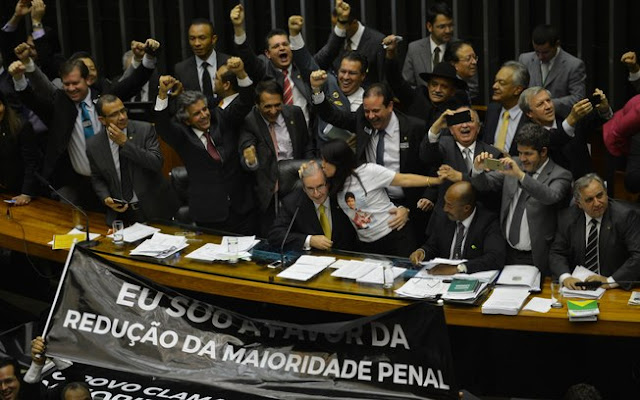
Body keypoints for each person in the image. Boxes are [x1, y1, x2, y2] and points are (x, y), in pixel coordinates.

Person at [9, 39, 157, 210]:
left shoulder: (105, 96)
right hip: (76, 182)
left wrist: (149, 56)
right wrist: (19, 77)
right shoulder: (60, 104)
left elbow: (133, 83)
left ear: (88, 80)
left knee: (119, 219)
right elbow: (32, 101)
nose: (71, 88)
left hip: (113, 179)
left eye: (75, 83)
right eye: (66, 84)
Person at [311, 74, 433, 245]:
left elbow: (430, 162)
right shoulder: (363, 119)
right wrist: (317, 90)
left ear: (390, 106)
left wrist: (420, 201)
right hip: (373, 201)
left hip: (409, 203)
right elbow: (333, 116)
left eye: (376, 111)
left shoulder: (414, 128)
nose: (371, 116)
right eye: (367, 111)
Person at [153, 59, 255, 234]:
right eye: (197, 113)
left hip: (242, 209)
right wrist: (163, 93)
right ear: (187, 120)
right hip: (209, 213)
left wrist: (241, 74)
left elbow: (246, 101)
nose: (204, 115)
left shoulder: (221, 119)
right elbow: (162, 125)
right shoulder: (182, 136)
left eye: (204, 109)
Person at [471, 123, 572, 276]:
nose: (523, 159)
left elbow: (550, 196)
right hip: (506, 252)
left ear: (543, 151)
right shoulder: (514, 163)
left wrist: (520, 175)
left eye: (528, 154)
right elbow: (485, 185)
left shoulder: (560, 175)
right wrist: (477, 170)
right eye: (520, 153)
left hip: (538, 256)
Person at [320, 139, 441, 257]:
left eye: (326, 161)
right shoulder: (332, 182)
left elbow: (404, 179)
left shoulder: (368, 171)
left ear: (338, 162)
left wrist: (436, 181)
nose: (322, 165)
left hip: (394, 235)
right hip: (367, 244)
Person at [86, 94, 179, 226]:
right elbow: (97, 177)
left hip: (154, 210)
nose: (122, 117)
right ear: (102, 120)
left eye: (123, 111)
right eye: (114, 114)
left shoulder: (145, 130)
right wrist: (105, 197)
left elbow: (156, 163)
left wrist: (125, 144)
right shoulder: (94, 144)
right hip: (122, 214)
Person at [239, 79, 313, 237]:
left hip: (298, 184)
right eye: (267, 106)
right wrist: (251, 160)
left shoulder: (295, 113)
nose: (273, 111)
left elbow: (307, 144)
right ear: (257, 104)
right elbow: (246, 152)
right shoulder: (249, 120)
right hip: (270, 192)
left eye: (277, 105)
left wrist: (309, 166)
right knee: (275, 236)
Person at [549, 173, 640, 290]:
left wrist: (609, 281)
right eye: (589, 200)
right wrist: (566, 277)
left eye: (600, 195)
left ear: (606, 193)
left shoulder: (625, 216)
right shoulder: (567, 218)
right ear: (579, 204)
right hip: (579, 287)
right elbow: (557, 253)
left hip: (615, 287)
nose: (597, 203)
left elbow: (638, 255)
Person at [231, 4, 314, 125]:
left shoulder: (303, 68)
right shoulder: (264, 69)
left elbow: (326, 54)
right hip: (275, 132)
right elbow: (248, 58)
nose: (282, 48)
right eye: (276, 46)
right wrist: (238, 27)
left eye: (285, 44)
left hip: (307, 132)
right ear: (268, 54)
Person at [289, 12, 360, 145]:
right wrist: (295, 35)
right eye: (343, 72)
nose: (346, 77)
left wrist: (362, 135)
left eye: (352, 73)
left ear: (363, 76)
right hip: (325, 152)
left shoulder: (369, 99)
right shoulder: (329, 84)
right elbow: (307, 65)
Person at [409, 181, 505, 274]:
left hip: (471, 276)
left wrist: (459, 268)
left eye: (450, 205)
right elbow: (433, 246)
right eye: (445, 202)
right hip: (440, 277)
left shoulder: (487, 222)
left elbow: (495, 257)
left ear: (466, 208)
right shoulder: (444, 217)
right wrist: (422, 252)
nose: (445, 209)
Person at [420, 106, 503, 213]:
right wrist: (436, 127)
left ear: (478, 127)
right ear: (451, 129)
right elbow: (426, 157)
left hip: (479, 215)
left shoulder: (493, 153)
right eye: (459, 121)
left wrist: (461, 177)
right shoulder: (442, 145)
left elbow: (493, 186)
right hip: (446, 215)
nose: (464, 125)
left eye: (470, 120)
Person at [519, 86, 612, 180]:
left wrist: (604, 109)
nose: (548, 107)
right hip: (554, 184)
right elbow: (553, 140)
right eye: (540, 104)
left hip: (585, 182)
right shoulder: (528, 133)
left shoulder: (565, 117)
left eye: (548, 100)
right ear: (529, 113)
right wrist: (571, 120)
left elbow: (593, 122)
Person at [268, 160, 357, 251]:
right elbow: (275, 235)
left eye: (320, 186)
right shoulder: (293, 203)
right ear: (304, 188)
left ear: (328, 184)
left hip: (346, 255)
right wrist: (309, 240)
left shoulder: (342, 198)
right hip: (313, 256)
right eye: (310, 188)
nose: (316, 194)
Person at [383, 34, 467, 126]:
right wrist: (391, 53)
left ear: (452, 91)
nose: (437, 90)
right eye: (434, 84)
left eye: (444, 86)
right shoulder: (418, 97)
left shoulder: (458, 108)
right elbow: (395, 81)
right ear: (428, 85)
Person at [518, 24, 586, 118]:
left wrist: (545, 104)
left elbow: (578, 98)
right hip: (530, 119)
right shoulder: (525, 59)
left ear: (557, 44)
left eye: (545, 52)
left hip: (560, 120)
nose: (540, 56)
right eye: (537, 51)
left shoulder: (574, 65)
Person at [173, 18, 229, 105]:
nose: (197, 43)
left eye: (202, 38)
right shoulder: (181, 69)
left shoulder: (228, 63)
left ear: (213, 39)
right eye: (192, 38)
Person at [331, 2, 386, 88]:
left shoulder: (377, 42)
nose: (337, 30)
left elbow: (383, 79)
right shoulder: (337, 38)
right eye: (335, 26)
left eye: (341, 26)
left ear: (354, 23)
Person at [482, 61, 531, 155]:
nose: (494, 86)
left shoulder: (530, 115)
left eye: (502, 83)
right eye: (495, 81)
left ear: (517, 89)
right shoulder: (492, 110)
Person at [0, 90, 40, 205]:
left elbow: (32, 162)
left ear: (4, 105)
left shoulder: (21, 126)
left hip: (21, 189)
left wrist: (26, 193)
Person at [402, 2, 455, 87]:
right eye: (442, 27)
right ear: (429, 26)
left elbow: (471, 87)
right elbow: (407, 84)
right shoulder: (414, 49)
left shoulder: (461, 49)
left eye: (450, 25)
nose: (448, 30)